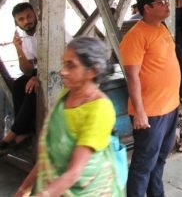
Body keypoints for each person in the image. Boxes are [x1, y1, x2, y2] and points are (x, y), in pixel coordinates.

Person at [14, 37, 123, 196]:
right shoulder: (67, 94)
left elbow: (74, 172)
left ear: (92, 71)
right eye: (64, 63)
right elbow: (49, 154)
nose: (63, 71)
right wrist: (24, 189)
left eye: (71, 65)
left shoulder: (100, 109)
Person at [120, 0, 181, 196]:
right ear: (147, 8)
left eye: (166, 1)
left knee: (160, 160)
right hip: (151, 113)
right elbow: (132, 76)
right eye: (161, 2)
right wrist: (139, 112)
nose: (167, 5)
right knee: (143, 165)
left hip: (170, 107)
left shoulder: (162, 27)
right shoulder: (135, 36)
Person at [0, 3, 39, 152]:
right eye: (21, 19)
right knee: (19, 84)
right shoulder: (24, 37)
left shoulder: (47, 29)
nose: (26, 21)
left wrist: (39, 78)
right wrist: (19, 49)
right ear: (16, 22)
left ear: (35, 14)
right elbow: (27, 70)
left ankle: (12, 134)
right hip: (40, 70)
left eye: (29, 16)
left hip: (61, 68)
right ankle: (22, 132)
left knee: (33, 89)